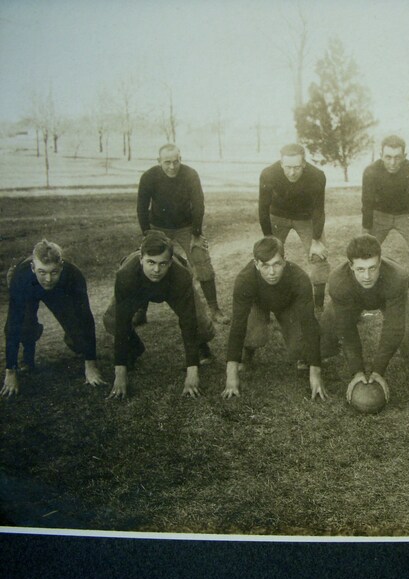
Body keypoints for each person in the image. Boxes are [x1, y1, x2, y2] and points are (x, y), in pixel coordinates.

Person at [103, 232, 215, 399]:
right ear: (141, 259)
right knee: (111, 320)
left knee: (201, 325)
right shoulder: (125, 275)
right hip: (138, 287)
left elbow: (188, 321)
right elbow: (121, 321)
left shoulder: (181, 275)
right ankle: (134, 347)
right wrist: (119, 373)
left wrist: (192, 371)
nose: (156, 270)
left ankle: (202, 347)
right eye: (151, 262)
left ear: (170, 262)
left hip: (170, 288)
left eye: (163, 263)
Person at [221, 236, 328, 401]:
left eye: (277, 264)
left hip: (288, 305)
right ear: (256, 263)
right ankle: (247, 351)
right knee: (254, 335)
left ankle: (302, 355)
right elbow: (237, 325)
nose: (271, 272)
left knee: (300, 347)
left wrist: (316, 373)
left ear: (285, 261)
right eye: (265, 265)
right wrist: (231, 376)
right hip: (258, 305)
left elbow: (309, 323)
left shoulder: (299, 278)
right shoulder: (245, 279)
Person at [320, 234, 409, 403]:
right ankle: (327, 349)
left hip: (385, 297)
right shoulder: (338, 281)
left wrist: (378, 371)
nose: (367, 276)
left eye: (372, 268)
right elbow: (346, 329)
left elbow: (393, 327)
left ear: (380, 262)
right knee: (328, 324)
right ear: (350, 266)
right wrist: (357, 371)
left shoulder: (397, 277)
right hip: (352, 298)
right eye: (360, 269)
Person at [137, 143, 229, 324]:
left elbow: (198, 204)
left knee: (201, 259)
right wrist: (147, 233)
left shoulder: (190, 174)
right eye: (167, 162)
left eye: (176, 161)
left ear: (180, 159)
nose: (172, 167)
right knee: (147, 262)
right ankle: (140, 309)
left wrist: (196, 234)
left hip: (186, 227)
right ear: (159, 161)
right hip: (158, 227)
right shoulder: (149, 176)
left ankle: (214, 308)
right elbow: (141, 206)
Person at [2, 239, 105, 397]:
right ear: (33, 268)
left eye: (54, 272)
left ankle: (72, 339)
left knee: (77, 335)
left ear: (61, 267)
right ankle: (27, 359)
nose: (48, 279)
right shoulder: (21, 276)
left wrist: (91, 365)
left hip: (60, 290)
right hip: (29, 286)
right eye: (42, 272)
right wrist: (10, 372)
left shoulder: (73, 275)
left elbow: (86, 319)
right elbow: (12, 324)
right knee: (24, 324)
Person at [362, 135, 409, 313]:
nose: (393, 162)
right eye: (388, 157)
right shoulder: (371, 171)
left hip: (407, 215)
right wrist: (365, 232)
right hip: (379, 215)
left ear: (405, 155)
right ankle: (360, 302)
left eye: (397, 157)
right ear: (381, 154)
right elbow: (366, 203)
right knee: (362, 254)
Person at [259, 143, 329, 310]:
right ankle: (269, 303)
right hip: (278, 216)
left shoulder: (317, 175)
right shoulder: (268, 173)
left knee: (319, 256)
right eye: (288, 167)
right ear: (281, 163)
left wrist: (317, 239)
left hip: (306, 218)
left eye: (297, 167)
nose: (292, 172)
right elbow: (263, 208)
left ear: (304, 163)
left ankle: (318, 306)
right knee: (268, 256)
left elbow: (319, 209)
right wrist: (268, 236)